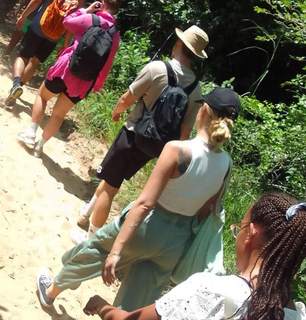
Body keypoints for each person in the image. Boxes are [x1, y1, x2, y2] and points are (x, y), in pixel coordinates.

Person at [36, 87, 241, 311]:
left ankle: (50, 292)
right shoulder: (226, 165)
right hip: (177, 241)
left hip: (148, 225)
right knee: (142, 294)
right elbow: (206, 210)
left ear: (202, 110)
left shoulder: (178, 150)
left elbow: (145, 203)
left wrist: (116, 252)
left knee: (96, 251)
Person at [71, 25, 210, 244]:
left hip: (133, 133)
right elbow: (184, 131)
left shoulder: (157, 68)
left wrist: (117, 113)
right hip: (158, 147)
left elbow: (128, 97)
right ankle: (87, 211)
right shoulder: (196, 89)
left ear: (179, 44)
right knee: (111, 176)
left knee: (111, 185)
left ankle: (89, 239)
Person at [81, 193, 306, 320]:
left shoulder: (210, 292)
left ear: (251, 234)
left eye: (240, 228)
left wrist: (102, 306)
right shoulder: (297, 316)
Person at [15, 0, 121, 157]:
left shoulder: (90, 19)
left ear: (103, 2)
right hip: (84, 80)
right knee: (58, 114)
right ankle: (40, 146)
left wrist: (86, 10)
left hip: (65, 69)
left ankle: (31, 133)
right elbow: (107, 63)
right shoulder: (115, 33)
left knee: (42, 97)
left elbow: (67, 22)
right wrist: (97, 84)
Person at [4, 0, 84, 107]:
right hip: (54, 36)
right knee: (35, 61)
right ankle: (17, 88)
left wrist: (23, 16)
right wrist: (65, 44)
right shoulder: (80, 1)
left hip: (38, 26)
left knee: (23, 56)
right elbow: (73, 21)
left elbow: (36, 1)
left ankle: (16, 84)